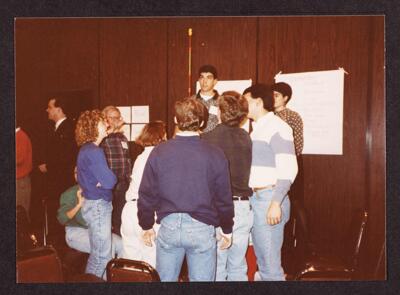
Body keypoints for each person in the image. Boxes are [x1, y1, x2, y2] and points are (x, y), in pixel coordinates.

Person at [137, 97, 234, 282]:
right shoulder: (215, 153)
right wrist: (227, 228)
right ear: (204, 123)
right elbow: (223, 197)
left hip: (169, 226)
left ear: (175, 120)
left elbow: (147, 193)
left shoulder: (159, 151)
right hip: (202, 227)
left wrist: (146, 225)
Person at [243, 84, 298, 281]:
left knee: (269, 267)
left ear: (258, 102)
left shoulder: (277, 127)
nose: (242, 105)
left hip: (270, 199)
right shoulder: (257, 129)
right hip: (259, 199)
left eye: (246, 101)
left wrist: (276, 203)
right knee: (264, 263)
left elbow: (289, 168)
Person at [201, 91, 253, 281]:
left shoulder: (207, 138)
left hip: (217, 207)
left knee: (217, 264)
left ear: (220, 112)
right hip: (242, 207)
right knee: (238, 265)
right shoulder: (246, 137)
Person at [75, 109, 117, 279]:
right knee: (101, 257)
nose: (106, 124)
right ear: (94, 127)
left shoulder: (87, 149)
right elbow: (110, 181)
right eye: (102, 121)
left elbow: (104, 181)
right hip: (98, 206)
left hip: (93, 205)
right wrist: (106, 179)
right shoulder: (94, 151)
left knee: (99, 255)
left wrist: (103, 180)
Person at [120, 121, 166, 268]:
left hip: (129, 209)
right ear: (161, 136)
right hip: (146, 211)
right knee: (150, 262)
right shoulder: (159, 157)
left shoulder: (140, 157)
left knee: (131, 261)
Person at [57, 167, 122, 258]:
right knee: (108, 247)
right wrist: (79, 205)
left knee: (122, 245)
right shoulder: (69, 194)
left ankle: (118, 272)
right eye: (76, 173)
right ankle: (104, 272)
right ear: (75, 177)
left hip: (96, 230)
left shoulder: (97, 191)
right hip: (75, 232)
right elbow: (62, 219)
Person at [38, 95, 77, 235]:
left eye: (49, 107)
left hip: (63, 181)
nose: (46, 110)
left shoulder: (69, 129)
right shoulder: (54, 128)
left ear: (59, 110)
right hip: (56, 181)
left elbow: (66, 157)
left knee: (63, 213)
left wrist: (49, 166)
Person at [101, 106, 132, 236]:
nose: (116, 121)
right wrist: (112, 129)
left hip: (123, 183)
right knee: (108, 218)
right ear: (104, 119)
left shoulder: (122, 137)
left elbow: (127, 159)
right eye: (112, 118)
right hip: (109, 184)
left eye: (117, 117)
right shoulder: (102, 137)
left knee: (120, 217)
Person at [190, 64, 220, 133]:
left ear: (215, 81)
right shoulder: (190, 101)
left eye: (208, 78)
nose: (204, 81)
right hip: (195, 141)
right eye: (202, 77)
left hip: (215, 142)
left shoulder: (222, 102)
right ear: (199, 80)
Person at [16, 124, 33, 218]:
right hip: (18, 181)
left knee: (21, 214)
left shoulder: (21, 136)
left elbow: (19, 159)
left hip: (20, 182)